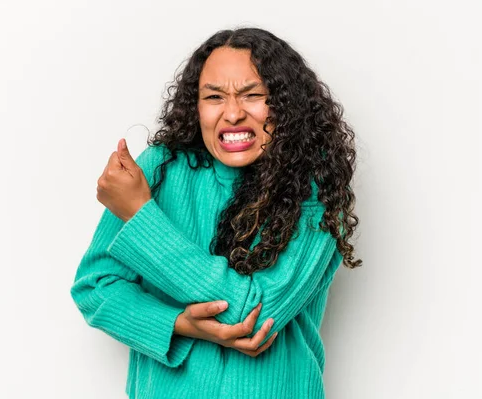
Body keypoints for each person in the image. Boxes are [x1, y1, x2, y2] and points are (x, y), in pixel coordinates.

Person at [70, 27, 362, 399]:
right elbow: (95, 286)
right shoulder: (159, 169)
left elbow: (253, 317)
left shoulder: (316, 188)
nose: (234, 113)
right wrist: (179, 324)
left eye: (253, 95)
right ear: (196, 106)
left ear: (287, 105)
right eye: (214, 97)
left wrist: (141, 214)